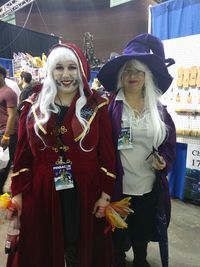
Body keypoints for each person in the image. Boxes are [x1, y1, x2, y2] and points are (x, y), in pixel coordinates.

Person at [6, 42, 116, 267]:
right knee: (43, 249)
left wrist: (105, 195)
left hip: (86, 190)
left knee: (82, 251)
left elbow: (107, 154)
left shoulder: (96, 105)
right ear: (50, 71)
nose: (66, 75)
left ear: (82, 70)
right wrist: (18, 194)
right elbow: (23, 156)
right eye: (59, 68)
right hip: (42, 190)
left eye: (72, 68)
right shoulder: (33, 106)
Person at [97, 33, 176, 267]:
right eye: (128, 71)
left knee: (142, 235)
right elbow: (102, 149)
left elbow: (168, 144)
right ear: (122, 75)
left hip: (149, 189)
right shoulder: (109, 108)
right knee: (117, 240)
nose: (133, 76)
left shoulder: (158, 109)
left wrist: (164, 160)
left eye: (138, 71)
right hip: (119, 189)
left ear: (147, 76)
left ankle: (140, 261)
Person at [0, 65, 18, 194]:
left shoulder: (9, 92)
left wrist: (6, 136)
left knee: (4, 165)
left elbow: (12, 115)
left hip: (6, 133)